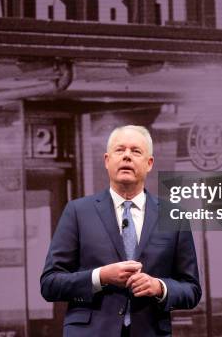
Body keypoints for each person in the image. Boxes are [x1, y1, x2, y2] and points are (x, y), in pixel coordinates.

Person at [40, 125, 201, 336]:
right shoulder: (78, 212)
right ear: (107, 160)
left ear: (149, 163)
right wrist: (100, 277)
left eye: (136, 151)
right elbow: (50, 283)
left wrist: (159, 287)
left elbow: (192, 289)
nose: (127, 156)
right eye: (119, 150)